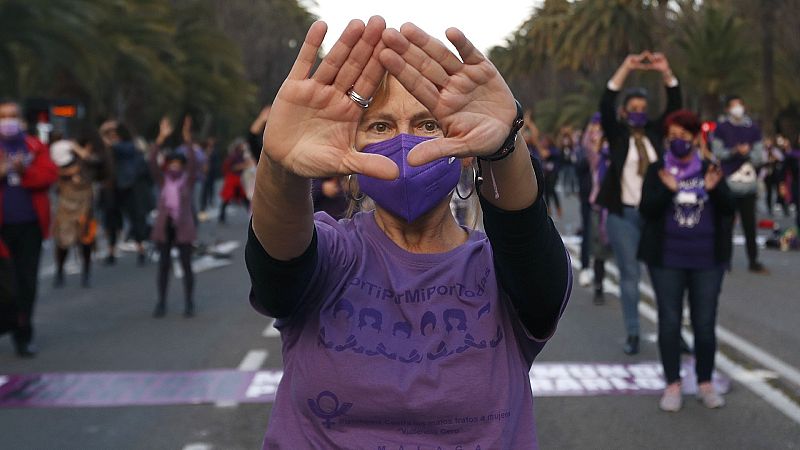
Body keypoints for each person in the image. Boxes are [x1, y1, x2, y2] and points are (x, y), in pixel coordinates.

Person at [245, 18, 571, 448]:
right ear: (351, 150)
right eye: (380, 126)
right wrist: (280, 166)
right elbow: (277, 271)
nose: (404, 142)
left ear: (467, 153)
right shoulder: (334, 255)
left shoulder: (502, 274)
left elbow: (528, 246)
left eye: (427, 125)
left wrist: (505, 145)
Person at [639, 109, 734, 411]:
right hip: (666, 260)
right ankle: (672, 384)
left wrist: (714, 189)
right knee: (669, 322)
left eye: (684, 136)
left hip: (707, 259)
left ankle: (705, 383)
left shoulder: (711, 169)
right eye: (672, 137)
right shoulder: (657, 170)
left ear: (695, 138)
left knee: (704, 323)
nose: (678, 142)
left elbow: (729, 207)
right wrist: (667, 192)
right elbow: (647, 210)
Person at [596, 51, 682, 355]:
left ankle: (673, 332)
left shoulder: (656, 135)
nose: (639, 113)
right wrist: (626, 66)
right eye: (633, 108)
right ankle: (633, 332)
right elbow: (606, 102)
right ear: (624, 112)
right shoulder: (617, 136)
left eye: (643, 108)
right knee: (630, 276)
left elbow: (675, 106)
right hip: (624, 217)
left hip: (656, 215)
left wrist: (665, 72)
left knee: (666, 275)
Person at [0, 99, 58, 357]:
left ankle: (23, 336)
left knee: (26, 283)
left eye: (12, 115)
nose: (8, 121)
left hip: (29, 227)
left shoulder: (35, 147)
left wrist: (25, 171)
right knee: (5, 284)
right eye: (3, 116)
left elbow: (48, 177)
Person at [149, 117, 198, 318]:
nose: (176, 166)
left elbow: (194, 162)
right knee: (163, 266)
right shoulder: (163, 181)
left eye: (179, 164)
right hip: (165, 227)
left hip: (183, 228)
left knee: (186, 266)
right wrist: (161, 137)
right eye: (173, 163)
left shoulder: (187, 181)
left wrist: (187, 139)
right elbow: (151, 161)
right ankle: (161, 302)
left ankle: (189, 302)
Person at [712, 95, 767, 273]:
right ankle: (725, 260)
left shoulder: (752, 129)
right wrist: (735, 151)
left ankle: (753, 260)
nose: (737, 109)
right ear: (727, 109)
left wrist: (748, 153)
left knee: (750, 225)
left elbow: (760, 156)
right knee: (726, 224)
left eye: (740, 105)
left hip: (748, 183)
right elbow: (718, 152)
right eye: (734, 106)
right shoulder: (721, 128)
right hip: (729, 183)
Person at [51, 132, 105, 288]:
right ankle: (59, 271)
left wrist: (82, 156)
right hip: (65, 205)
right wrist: (66, 172)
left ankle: (86, 274)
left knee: (86, 240)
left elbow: (99, 165)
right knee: (63, 241)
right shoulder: (64, 157)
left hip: (85, 205)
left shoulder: (90, 160)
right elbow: (52, 173)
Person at [99, 120, 148, 266]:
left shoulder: (129, 146)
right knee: (112, 221)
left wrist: (103, 130)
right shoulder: (113, 149)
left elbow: (112, 146)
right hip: (113, 188)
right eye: (111, 135)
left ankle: (141, 250)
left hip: (127, 186)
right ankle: (111, 252)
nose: (113, 137)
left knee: (135, 219)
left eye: (115, 134)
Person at [218, 138, 252, 224]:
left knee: (245, 199)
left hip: (239, 178)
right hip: (233, 178)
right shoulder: (234, 156)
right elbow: (233, 167)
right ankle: (221, 217)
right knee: (227, 198)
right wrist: (243, 166)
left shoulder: (242, 155)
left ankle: (252, 216)